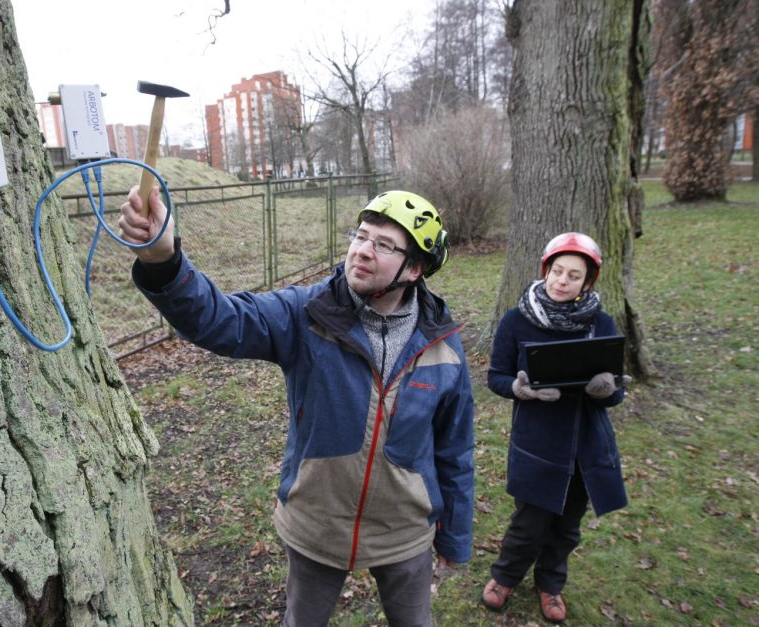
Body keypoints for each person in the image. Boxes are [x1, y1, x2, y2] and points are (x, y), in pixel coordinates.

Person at [118, 187, 475, 626]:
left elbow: (455, 451)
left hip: (404, 534)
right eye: (361, 235)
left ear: (416, 268)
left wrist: (455, 540)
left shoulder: (442, 344)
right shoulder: (307, 313)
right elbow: (218, 319)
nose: (362, 250)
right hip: (316, 526)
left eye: (383, 245)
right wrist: (163, 260)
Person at [481, 232, 630, 623]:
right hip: (538, 440)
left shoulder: (600, 323)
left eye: (574, 276)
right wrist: (518, 389)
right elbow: (495, 376)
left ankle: (551, 584)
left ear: (587, 282)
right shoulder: (516, 320)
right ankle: (504, 577)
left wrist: (606, 391)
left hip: (585, 442)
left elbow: (616, 392)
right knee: (529, 523)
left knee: (567, 525)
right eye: (558, 271)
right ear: (546, 270)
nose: (562, 281)